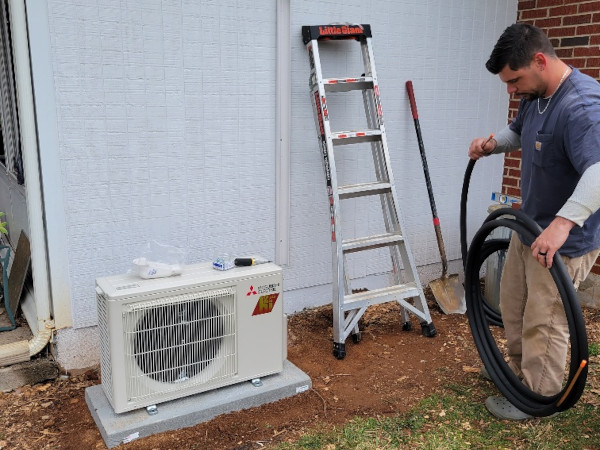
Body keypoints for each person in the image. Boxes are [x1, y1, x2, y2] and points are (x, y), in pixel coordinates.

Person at [468, 23, 600, 420]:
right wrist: (493, 145)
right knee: (515, 305)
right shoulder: (537, 93)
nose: (511, 90)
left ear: (540, 61)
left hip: (564, 241)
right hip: (530, 229)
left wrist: (562, 225)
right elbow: (517, 132)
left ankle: (539, 396)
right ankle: (520, 379)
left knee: (545, 318)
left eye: (514, 80)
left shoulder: (582, 107)